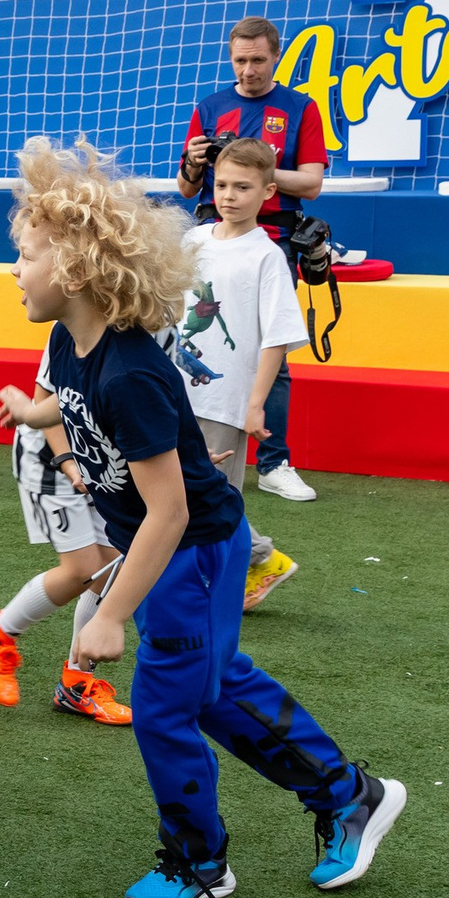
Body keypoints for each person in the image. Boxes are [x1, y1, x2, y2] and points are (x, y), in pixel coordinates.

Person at [0, 138, 403, 898]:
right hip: (173, 554)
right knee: (212, 690)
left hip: (193, 550)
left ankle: (199, 862)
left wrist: (111, 613)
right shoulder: (68, 341)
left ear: (75, 271)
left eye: (26, 256)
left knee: (164, 708)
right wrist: (32, 409)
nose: (16, 269)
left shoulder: (132, 372)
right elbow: (72, 404)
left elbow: (172, 508)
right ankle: (351, 795)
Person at [174, 15, 327, 503]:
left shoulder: (301, 107)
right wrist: (198, 162)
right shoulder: (211, 106)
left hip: (272, 239)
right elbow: (184, 188)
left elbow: (312, 183)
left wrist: (255, 168)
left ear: (276, 57)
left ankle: (274, 460)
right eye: (239, 60)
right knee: (187, 335)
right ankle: (184, 441)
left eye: (257, 60)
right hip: (208, 236)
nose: (248, 70)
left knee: (271, 349)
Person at [0, 342, 134, 725]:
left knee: (110, 567)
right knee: (81, 569)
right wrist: (68, 462)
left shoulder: (160, 325)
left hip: (106, 461)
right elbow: (50, 405)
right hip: (55, 463)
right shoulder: (72, 325)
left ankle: (77, 684)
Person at [173, 140, 304, 609]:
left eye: (243, 187)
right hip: (175, 390)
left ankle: (236, 575)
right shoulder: (193, 240)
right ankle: (257, 561)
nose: (229, 195)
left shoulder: (267, 257)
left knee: (213, 497)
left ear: (268, 192)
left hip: (224, 404)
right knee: (177, 487)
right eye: (223, 184)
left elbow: (278, 337)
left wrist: (253, 404)